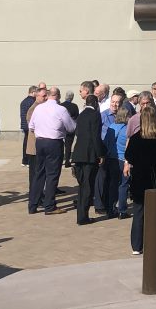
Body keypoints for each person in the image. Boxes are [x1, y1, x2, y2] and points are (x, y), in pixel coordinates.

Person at [125, 104, 156, 256]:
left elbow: (129, 156)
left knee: (139, 212)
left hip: (141, 179)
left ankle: (137, 245)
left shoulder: (136, 138)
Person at [28, 85, 76, 215]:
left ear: (48, 95)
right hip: (54, 142)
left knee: (39, 173)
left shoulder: (38, 108)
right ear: (58, 96)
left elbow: (30, 126)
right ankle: (49, 205)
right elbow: (71, 127)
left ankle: (32, 205)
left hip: (40, 141)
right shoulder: (61, 109)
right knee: (52, 174)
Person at [72, 94, 101, 225]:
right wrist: (100, 154)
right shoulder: (95, 115)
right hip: (90, 155)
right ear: (95, 103)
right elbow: (96, 136)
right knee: (88, 186)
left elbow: (77, 133)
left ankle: (81, 215)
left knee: (82, 185)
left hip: (79, 154)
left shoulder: (81, 114)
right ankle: (83, 217)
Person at [22, 86, 46, 193]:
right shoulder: (34, 109)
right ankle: (35, 194)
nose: (46, 98)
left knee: (39, 172)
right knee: (35, 173)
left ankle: (38, 193)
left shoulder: (40, 107)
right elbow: (33, 127)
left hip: (39, 146)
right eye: (43, 96)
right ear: (37, 96)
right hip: (34, 147)